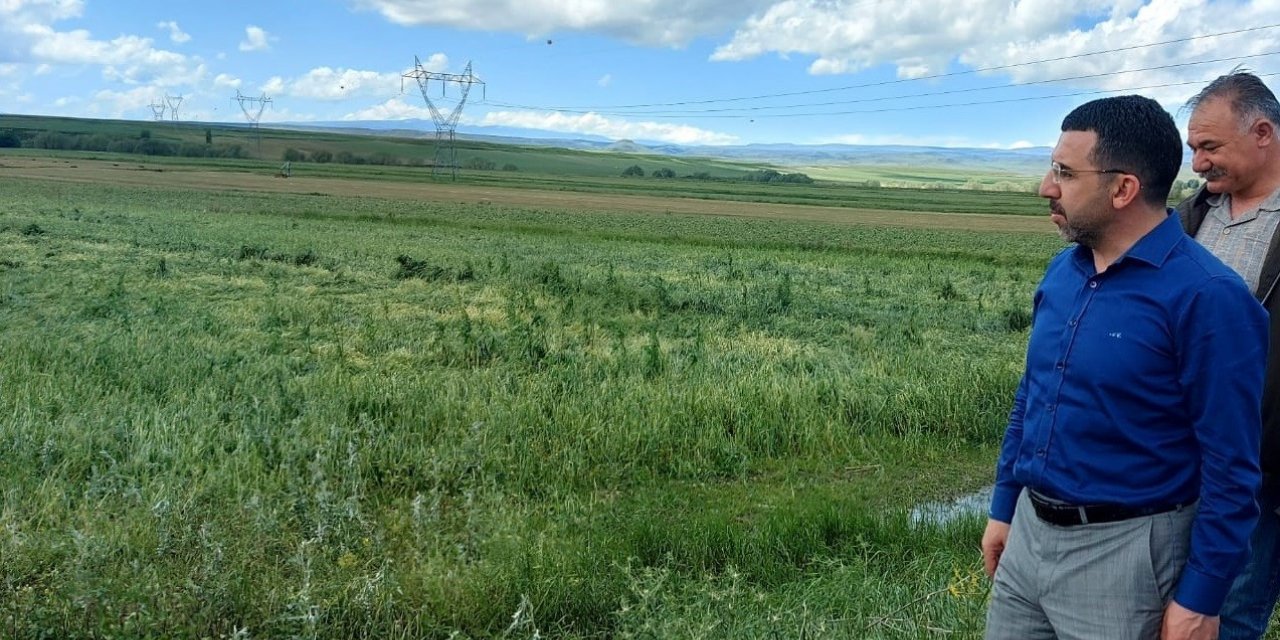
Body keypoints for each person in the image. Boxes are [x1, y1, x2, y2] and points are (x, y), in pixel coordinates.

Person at [981, 94, 1269, 640]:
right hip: (1029, 537)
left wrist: (1201, 600)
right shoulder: (1064, 273)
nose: (1047, 186)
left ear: (1123, 189)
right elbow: (1034, 395)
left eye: (1065, 172)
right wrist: (1004, 505)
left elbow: (1232, 468)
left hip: (1130, 556)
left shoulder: (1208, 298)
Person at [1177, 70, 1280, 640]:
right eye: (1194, 148)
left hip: (1266, 461)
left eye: (1210, 147)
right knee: (1201, 613)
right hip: (1197, 462)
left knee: (1232, 613)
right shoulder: (1191, 221)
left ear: (1262, 132)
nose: (1198, 164)